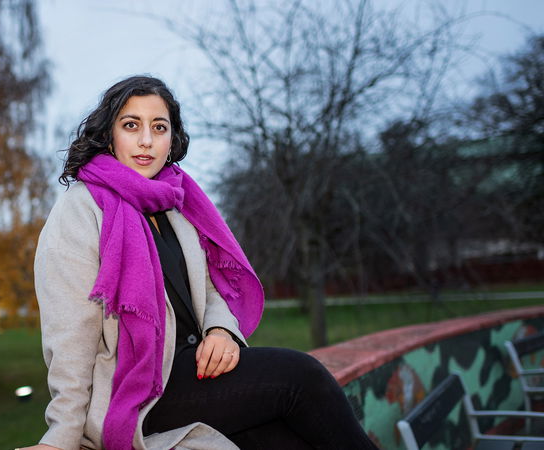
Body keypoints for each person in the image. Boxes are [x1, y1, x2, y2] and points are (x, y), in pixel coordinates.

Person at [20, 76, 377, 450]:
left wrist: (222, 330)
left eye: (159, 128)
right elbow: (70, 335)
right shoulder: (80, 210)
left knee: (288, 440)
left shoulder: (175, 201)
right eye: (131, 126)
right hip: (137, 393)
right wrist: (61, 436)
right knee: (301, 377)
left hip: (195, 372)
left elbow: (209, 287)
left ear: (171, 139)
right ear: (109, 136)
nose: (146, 140)